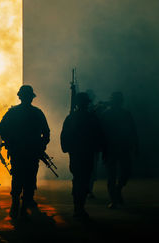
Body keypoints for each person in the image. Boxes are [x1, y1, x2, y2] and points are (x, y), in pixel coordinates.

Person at [0, 85, 50, 220]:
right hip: (30, 153)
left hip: (18, 152)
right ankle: (23, 207)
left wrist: (10, 140)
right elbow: (46, 133)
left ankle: (16, 204)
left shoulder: (13, 112)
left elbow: (1, 129)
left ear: (20, 97)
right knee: (29, 179)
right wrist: (40, 146)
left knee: (18, 177)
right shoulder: (37, 113)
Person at [61, 92, 104, 220]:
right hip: (86, 153)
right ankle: (79, 207)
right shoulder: (92, 118)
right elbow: (99, 135)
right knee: (83, 180)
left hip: (77, 154)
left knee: (79, 180)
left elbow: (64, 136)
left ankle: (78, 207)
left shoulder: (72, 117)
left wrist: (67, 148)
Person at [101, 92, 138, 209]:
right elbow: (102, 133)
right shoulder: (106, 114)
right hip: (111, 148)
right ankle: (114, 200)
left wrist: (135, 145)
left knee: (126, 172)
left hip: (123, 147)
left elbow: (133, 131)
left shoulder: (126, 114)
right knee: (111, 176)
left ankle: (118, 189)